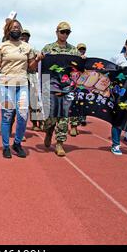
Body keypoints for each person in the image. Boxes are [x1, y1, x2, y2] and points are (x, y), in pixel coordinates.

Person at [0, 19, 41, 159]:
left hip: (22, 84)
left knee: (22, 116)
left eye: (18, 27)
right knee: (7, 116)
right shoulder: (2, 46)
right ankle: (5, 147)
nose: (16, 29)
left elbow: (32, 67)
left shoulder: (27, 47)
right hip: (6, 85)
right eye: (13, 27)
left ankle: (17, 143)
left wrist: (38, 59)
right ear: (8, 30)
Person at [42, 22, 81, 157]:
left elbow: (79, 68)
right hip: (50, 86)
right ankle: (48, 131)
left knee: (64, 116)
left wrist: (82, 61)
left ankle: (59, 143)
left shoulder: (74, 51)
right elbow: (42, 67)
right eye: (62, 32)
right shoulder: (48, 48)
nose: (64, 34)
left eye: (67, 32)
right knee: (50, 118)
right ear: (57, 32)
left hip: (67, 87)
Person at [76, 43, 88, 126]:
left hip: (84, 85)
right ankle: (75, 119)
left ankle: (82, 118)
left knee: (83, 101)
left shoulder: (88, 61)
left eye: (83, 49)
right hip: (74, 84)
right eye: (80, 49)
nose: (82, 51)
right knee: (75, 102)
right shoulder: (73, 59)